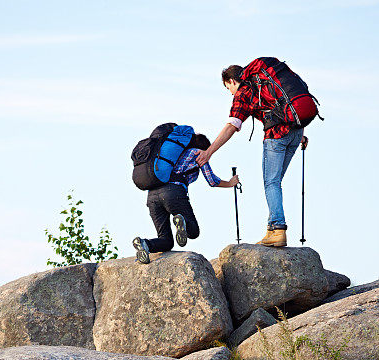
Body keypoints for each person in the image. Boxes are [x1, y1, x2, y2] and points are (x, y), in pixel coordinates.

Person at [196, 64, 309, 248]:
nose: (231, 93)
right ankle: (272, 229)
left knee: (271, 182)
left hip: (277, 136)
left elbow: (232, 125)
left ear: (232, 81)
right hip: (296, 132)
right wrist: (298, 135)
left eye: (228, 88)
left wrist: (209, 152)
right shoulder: (263, 84)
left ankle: (277, 229)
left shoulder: (244, 92)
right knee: (275, 181)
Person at [132, 133, 239, 264]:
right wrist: (230, 183)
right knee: (193, 231)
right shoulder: (198, 153)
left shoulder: (170, 154)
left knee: (166, 240)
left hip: (152, 196)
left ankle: (145, 244)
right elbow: (212, 181)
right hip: (174, 193)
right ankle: (181, 221)